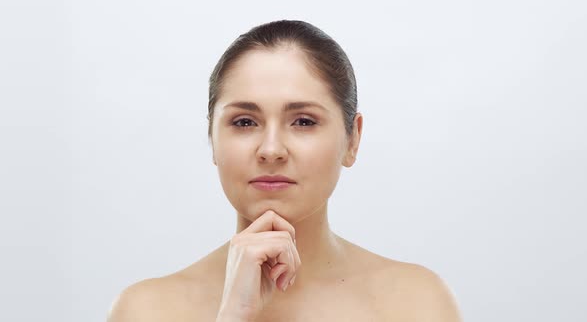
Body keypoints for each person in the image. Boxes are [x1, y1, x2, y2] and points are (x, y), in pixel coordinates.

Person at [107, 19, 462, 322]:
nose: (271, 150)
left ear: (353, 139)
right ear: (212, 139)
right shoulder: (146, 310)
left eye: (304, 121)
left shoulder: (417, 304)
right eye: (244, 122)